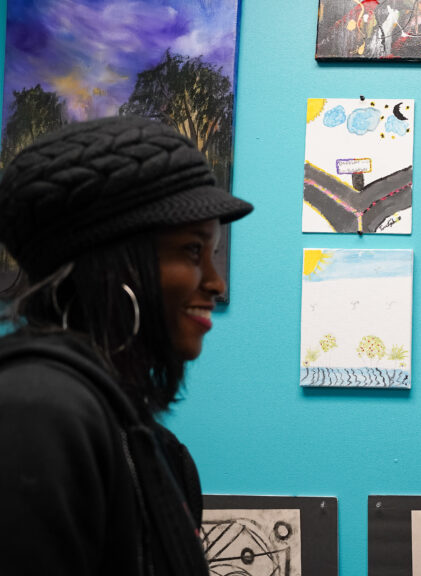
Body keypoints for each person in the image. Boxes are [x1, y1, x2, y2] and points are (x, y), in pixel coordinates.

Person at [0, 116, 253, 575]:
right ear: (116, 267)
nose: (216, 283)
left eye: (213, 253)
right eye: (193, 251)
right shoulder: (33, 412)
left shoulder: (155, 447)